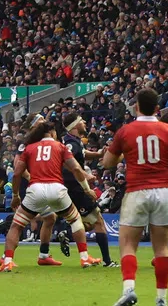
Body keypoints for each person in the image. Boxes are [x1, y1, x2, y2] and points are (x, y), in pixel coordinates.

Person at [101, 87, 168, 306]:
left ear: (136, 107)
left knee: (128, 243)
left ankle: (129, 288)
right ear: (158, 109)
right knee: (161, 247)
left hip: (136, 190)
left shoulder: (125, 131)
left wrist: (125, 152)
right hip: (163, 191)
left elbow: (107, 163)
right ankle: (161, 298)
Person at [0, 120, 100, 271]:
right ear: (52, 133)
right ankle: (84, 258)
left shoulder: (30, 148)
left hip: (35, 189)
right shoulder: (60, 147)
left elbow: (17, 173)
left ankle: (7, 261)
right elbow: (77, 169)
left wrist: (15, 195)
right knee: (75, 220)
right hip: (57, 189)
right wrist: (86, 189)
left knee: (17, 225)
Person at [61, 112, 114, 267]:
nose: (84, 122)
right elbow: (67, 163)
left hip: (72, 186)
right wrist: (85, 175)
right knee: (98, 221)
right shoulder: (71, 144)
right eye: (81, 120)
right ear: (75, 125)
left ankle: (67, 233)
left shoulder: (74, 141)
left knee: (86, 223)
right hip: (75, 187)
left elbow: (83, 154)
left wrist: (99, 154)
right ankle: (107, 261)